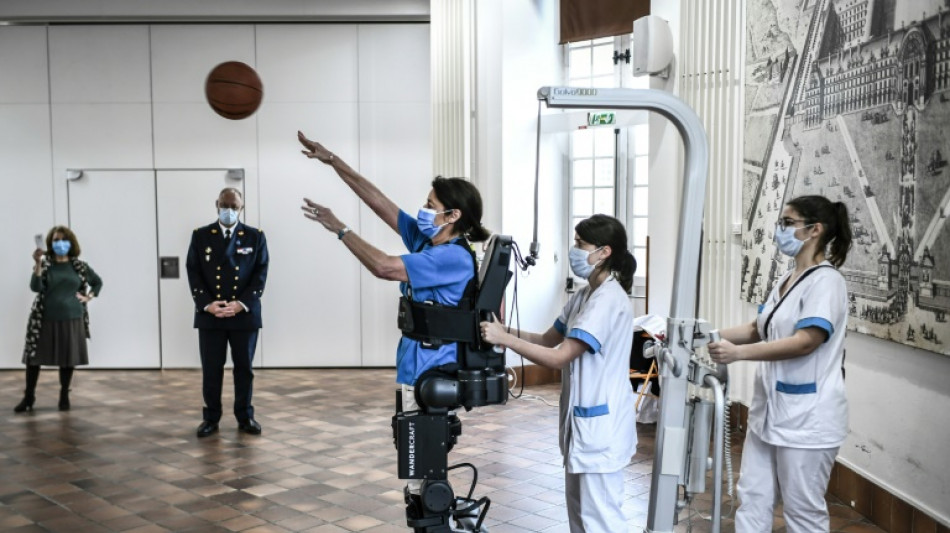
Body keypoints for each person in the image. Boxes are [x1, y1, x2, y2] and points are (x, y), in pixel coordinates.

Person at [296, 130, 491, 410]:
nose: (423, 209)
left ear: (453, 215)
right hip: (417, 362)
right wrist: (332, 160)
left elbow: (383, 267)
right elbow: (380, 204)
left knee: (421, 436)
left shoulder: (452, 257)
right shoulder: (428, 242)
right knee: (408, 433)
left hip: (435, 366)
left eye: (430, 205)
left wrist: (340, 228)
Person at [480, 214, 638, 533]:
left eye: (581, 244)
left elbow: (559, 357)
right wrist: (501, 330)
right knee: (580, 518)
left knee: (601, 521)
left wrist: (504, 340)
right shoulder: (584, 296)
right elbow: (546, 340)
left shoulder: (608, 300)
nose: (574, 250)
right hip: (583, 428)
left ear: (604, 252)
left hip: (602, 430)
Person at [707, 195, 852, 533]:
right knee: (753, 497)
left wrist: (738, 354)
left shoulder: (826, 282)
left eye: (788, 223)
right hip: (769, 414)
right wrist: (702, 334)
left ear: (814, 230)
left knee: (802, 512)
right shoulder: (787, 279)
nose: (780, 230)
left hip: (807, 419)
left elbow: (806, 341)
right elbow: (757, 328)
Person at [186, 187, 269, 438]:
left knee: (244, 369)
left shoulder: (255, 236)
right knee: (212, 370)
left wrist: (242, 303)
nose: (229, 210)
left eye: (234, 207)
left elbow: (260, 273)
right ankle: (211, 418)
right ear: (217, 204)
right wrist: (207, 304)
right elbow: (194, 272)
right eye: (225, 205)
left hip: (244, 315)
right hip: (211, 315)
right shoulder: (201, 236)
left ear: (241, 208)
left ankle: (245, 416)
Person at [17, 226, 102, 413]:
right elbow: (35, 287)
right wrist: (38, 263)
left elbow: (97, 282)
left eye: (64, 240)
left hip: (72, 318)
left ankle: (64, 395)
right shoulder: (46, 265)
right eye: (56, 240)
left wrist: (88, 297)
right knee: (33, 358)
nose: (60, 243)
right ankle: (29, 397)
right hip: (44, 318)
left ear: (71, 243)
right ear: (50, 243)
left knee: (67, 359)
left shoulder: (79, 266)